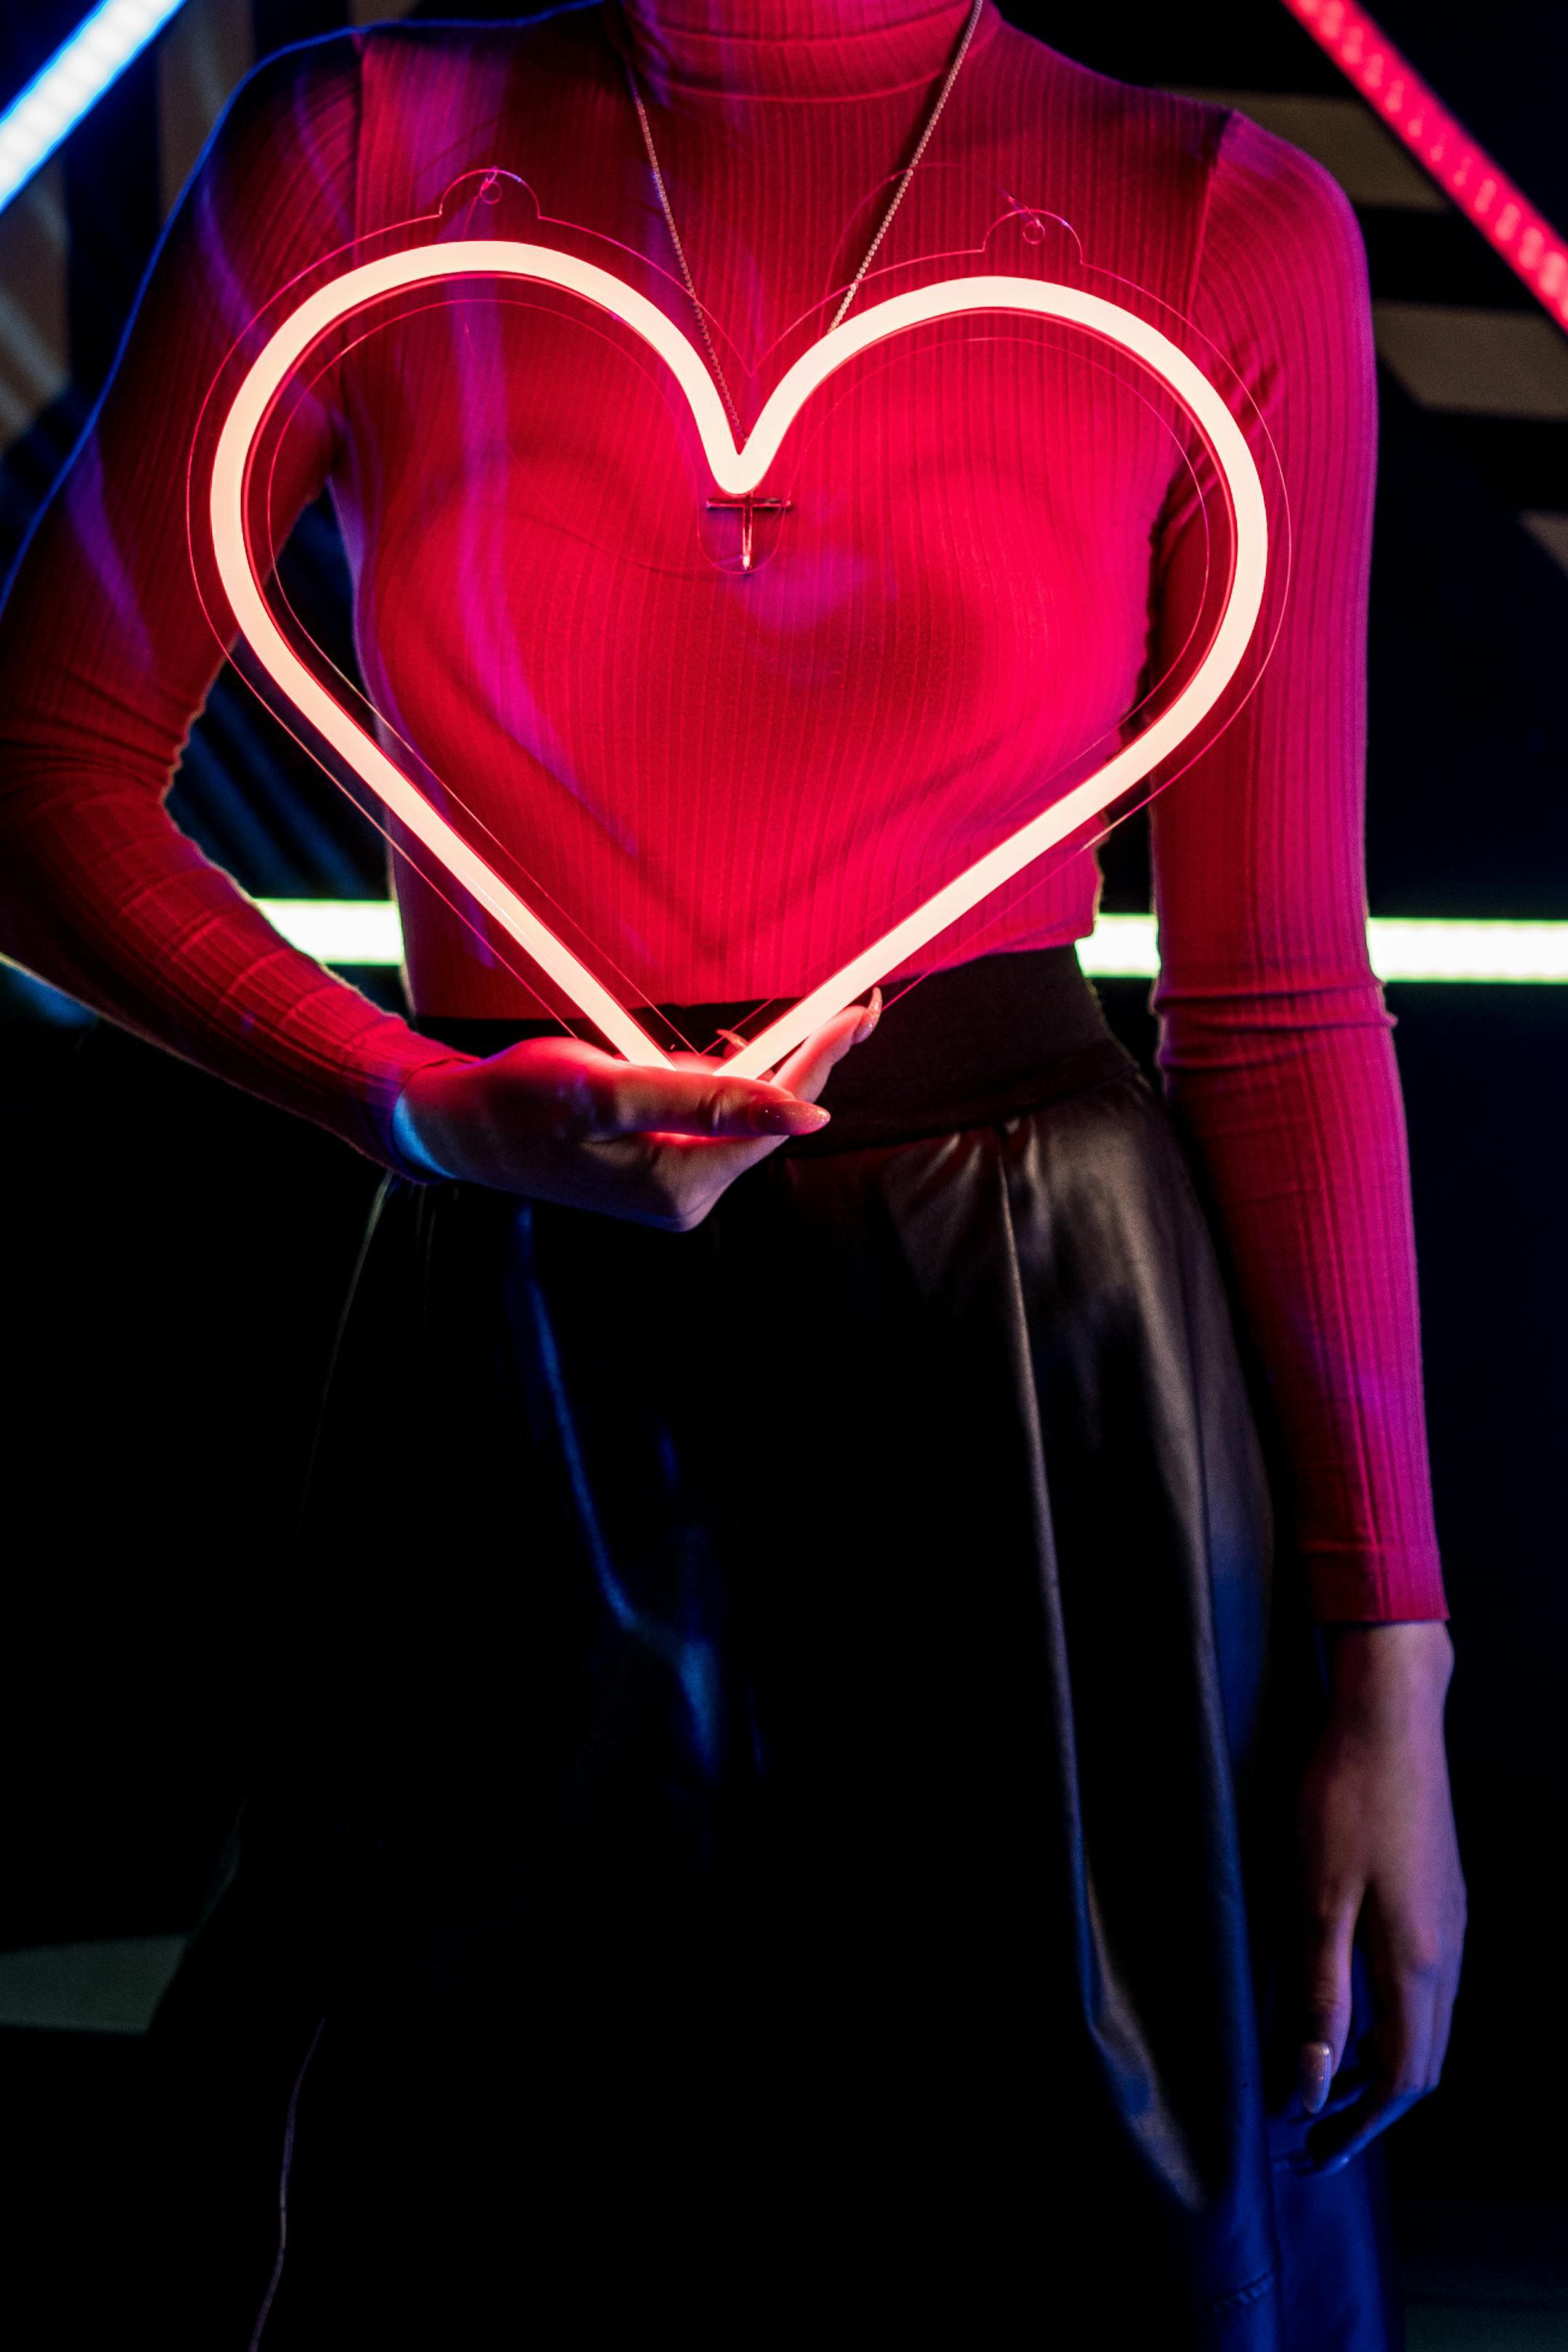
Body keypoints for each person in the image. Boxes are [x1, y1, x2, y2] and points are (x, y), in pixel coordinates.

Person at [0, 1, 1464, 2343]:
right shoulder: (363, 149)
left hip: (1042, 1370)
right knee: (440, 2201)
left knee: (1062, 2231)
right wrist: (420, 1101)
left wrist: (1393, 1676)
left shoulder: (1211, 220)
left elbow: (1276, 996)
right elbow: (41, 768)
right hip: (520, 1342)